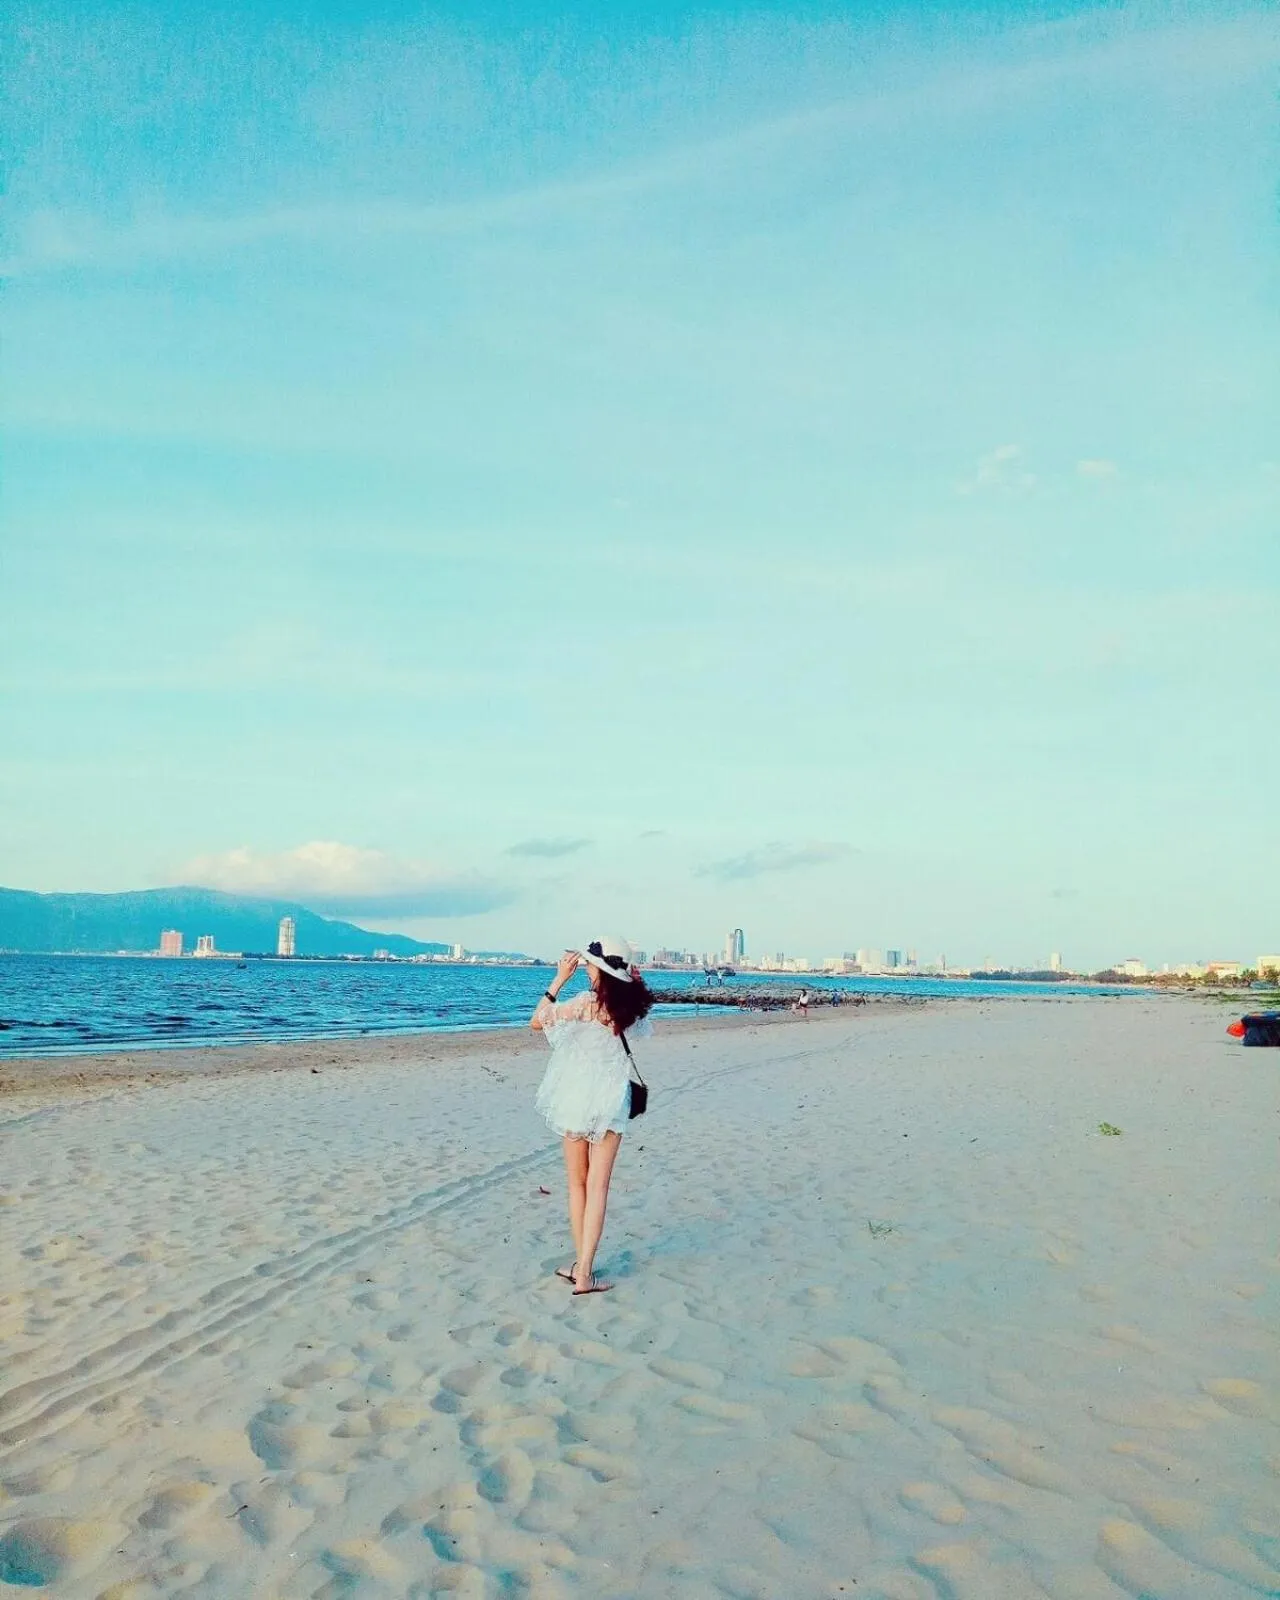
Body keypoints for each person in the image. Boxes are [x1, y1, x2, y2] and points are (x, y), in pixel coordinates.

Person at [531, 936, 654, 1295]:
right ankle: (584, 1270)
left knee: (577, 1184)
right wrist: (636, 982)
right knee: (598, 1186)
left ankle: (580, 1266)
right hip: (610, 1102)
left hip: (574, 1100)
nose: (584, 967)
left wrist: (557, 981)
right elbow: (645, 1022)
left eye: (588, 964)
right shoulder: (629, 1011)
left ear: (597, 970)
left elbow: (537, 1022)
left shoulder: (584, 1003)